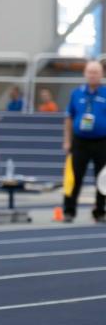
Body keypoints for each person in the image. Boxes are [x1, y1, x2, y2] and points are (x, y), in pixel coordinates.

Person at [62, 60, 106, 223]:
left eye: (96, 72)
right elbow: (68, 118)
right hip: (80, 141)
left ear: (102, 74)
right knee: (74, 176)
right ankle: (69, 210)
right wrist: (67, 140)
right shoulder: (76, 93)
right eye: (90, 72)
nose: (93, 75)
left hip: (102, 142)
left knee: (102, 178)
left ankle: (100, 211)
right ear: (85, 74)